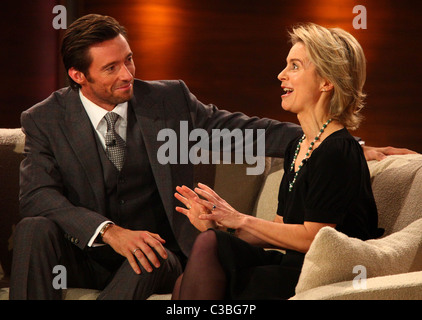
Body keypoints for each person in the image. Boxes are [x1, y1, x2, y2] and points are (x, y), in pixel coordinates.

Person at [9, 14, 412, 300]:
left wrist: (342, 142)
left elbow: (239, 131)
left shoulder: (166, 101)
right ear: (80, 76)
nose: (128, 74)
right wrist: (110, 232)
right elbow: (38, 195)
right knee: (33, 227)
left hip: (156, 254)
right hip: (85, 251)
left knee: (150, 254)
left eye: (129, 59)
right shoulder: (45, 118)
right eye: (111, 68)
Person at [172, 23, 389, 300]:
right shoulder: (298, 146)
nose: (281, 74)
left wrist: (241, 219)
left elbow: (316, 238)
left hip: (322, 277)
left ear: (326, 81)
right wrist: (220, 225)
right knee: (211, 244)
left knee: (212, 268)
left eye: (295, 66)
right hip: (292, 266)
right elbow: (280, 227)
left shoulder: (338, 151)